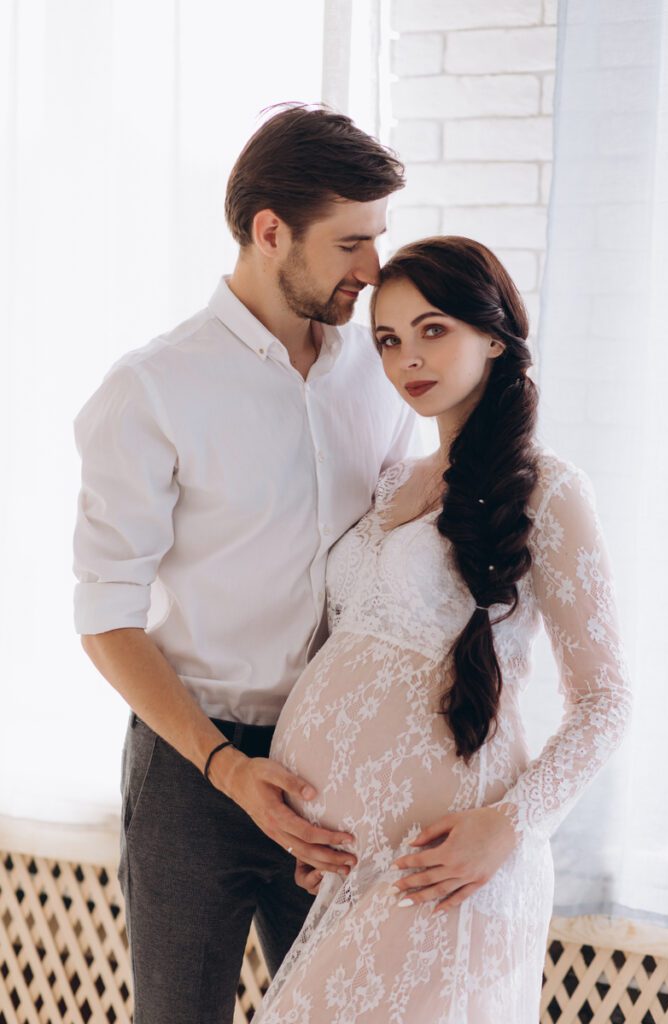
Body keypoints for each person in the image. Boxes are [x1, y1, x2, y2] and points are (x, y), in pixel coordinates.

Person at [72, 103, 414, 1023]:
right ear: (271, 232)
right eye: (351, 242)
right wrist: (225, 768)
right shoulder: (150, 389)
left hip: (334, 768)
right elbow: (105, 617)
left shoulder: (378, 374)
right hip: (192, 768)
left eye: (377, 238)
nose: (372, 269)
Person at [253, 236, 633, 1024]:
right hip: (357, 866)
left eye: (433, 330)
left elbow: (606, 699)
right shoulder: (395, 478)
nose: (406, 359)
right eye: (388, 340)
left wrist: (510, 828)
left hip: (448, 865)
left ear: (492, 335)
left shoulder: (550, 489)